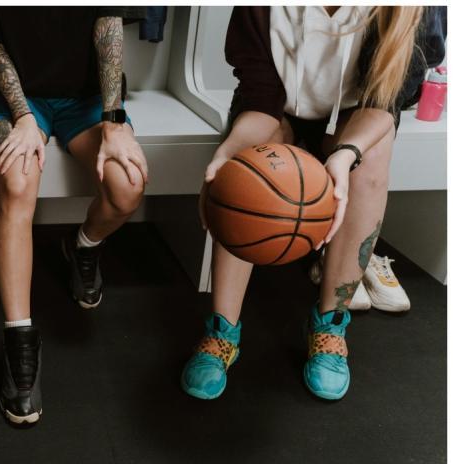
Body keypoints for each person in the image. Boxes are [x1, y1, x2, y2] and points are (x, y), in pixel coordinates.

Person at [182, 6, 446, 401]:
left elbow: (384, 101)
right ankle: (223, 329)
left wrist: (343, 156)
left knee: (368, 165)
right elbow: (258, 93)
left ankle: (330, 324)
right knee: (244, 172)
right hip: (277, 106)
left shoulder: (413, 10)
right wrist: (229, 155)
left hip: (359, 111)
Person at [0, 7, 148, 425]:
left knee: (127, 187)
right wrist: (23, 117)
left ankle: (83, 245)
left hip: (90, 99)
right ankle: (19, 340)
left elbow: (109, 25)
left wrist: (114, 121)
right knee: (18, 180)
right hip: (15, 99)